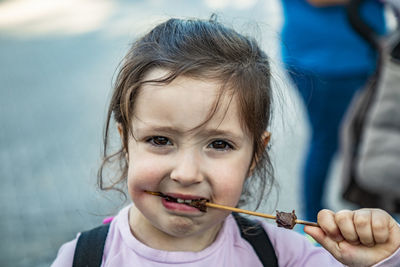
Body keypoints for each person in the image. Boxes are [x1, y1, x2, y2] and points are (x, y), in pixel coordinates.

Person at [51, 17, 400, 266]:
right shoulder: (82, 258)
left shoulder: (285, 256)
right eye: (160, 140)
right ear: (127, 141)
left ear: (255, 155)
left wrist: (382, 261)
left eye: (219, 145)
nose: (186, 173)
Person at [280, 0, 386, 222]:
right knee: (327, 141)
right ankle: (313, 221)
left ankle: (365, 213)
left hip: (359, 54)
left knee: (362, 140)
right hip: (328, 63)